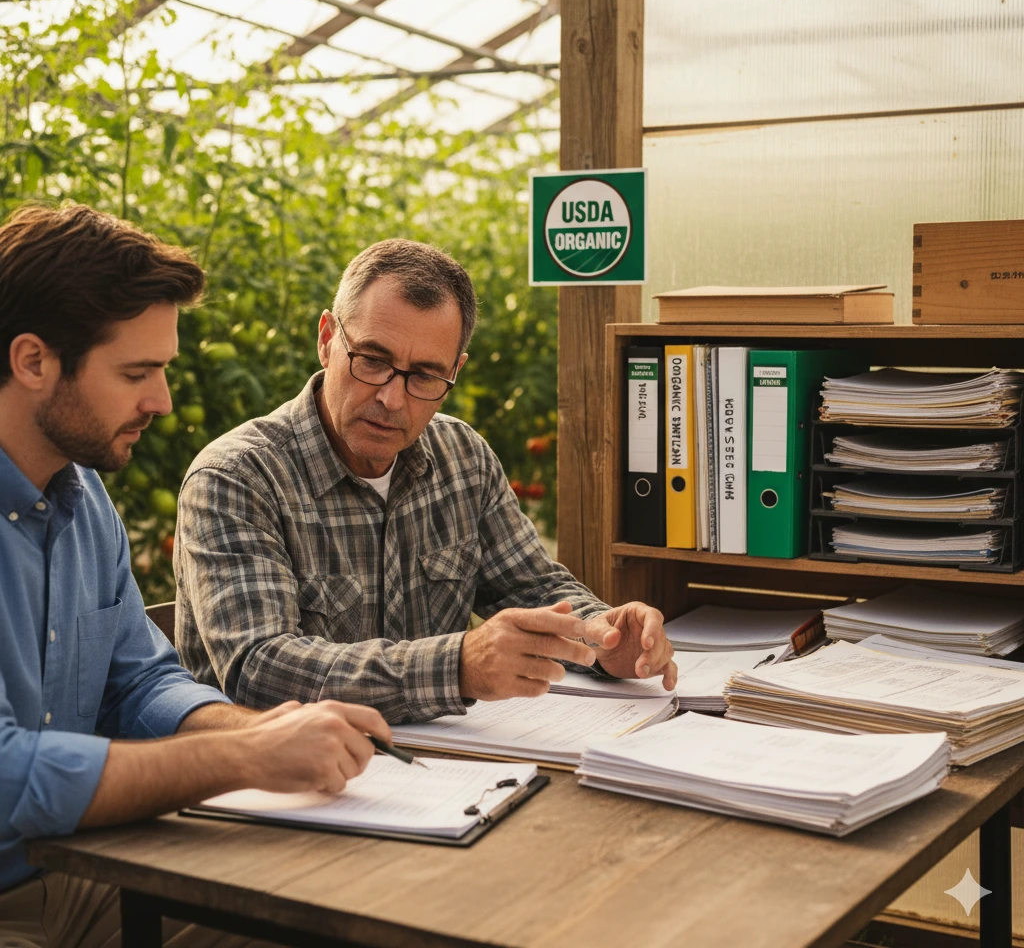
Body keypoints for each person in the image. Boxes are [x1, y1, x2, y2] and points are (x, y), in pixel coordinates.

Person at [0, 204, 390, 948]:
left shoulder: (82, 497)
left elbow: (139, 683)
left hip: (91, 869)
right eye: (136, 373)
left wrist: (266, 727)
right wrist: (241, 756)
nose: (162, 401)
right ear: (33, 361)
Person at [175, 238, 677, 723]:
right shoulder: (237, 479)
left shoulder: (462, 458)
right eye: (372, 360)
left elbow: (531, 586)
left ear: (454, 372)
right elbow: (259, 669)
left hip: (442, 769)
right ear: (328, 339)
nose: (392, 398)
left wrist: (604, 637)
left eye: (424, 377)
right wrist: (458, 667)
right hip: (271, 784)